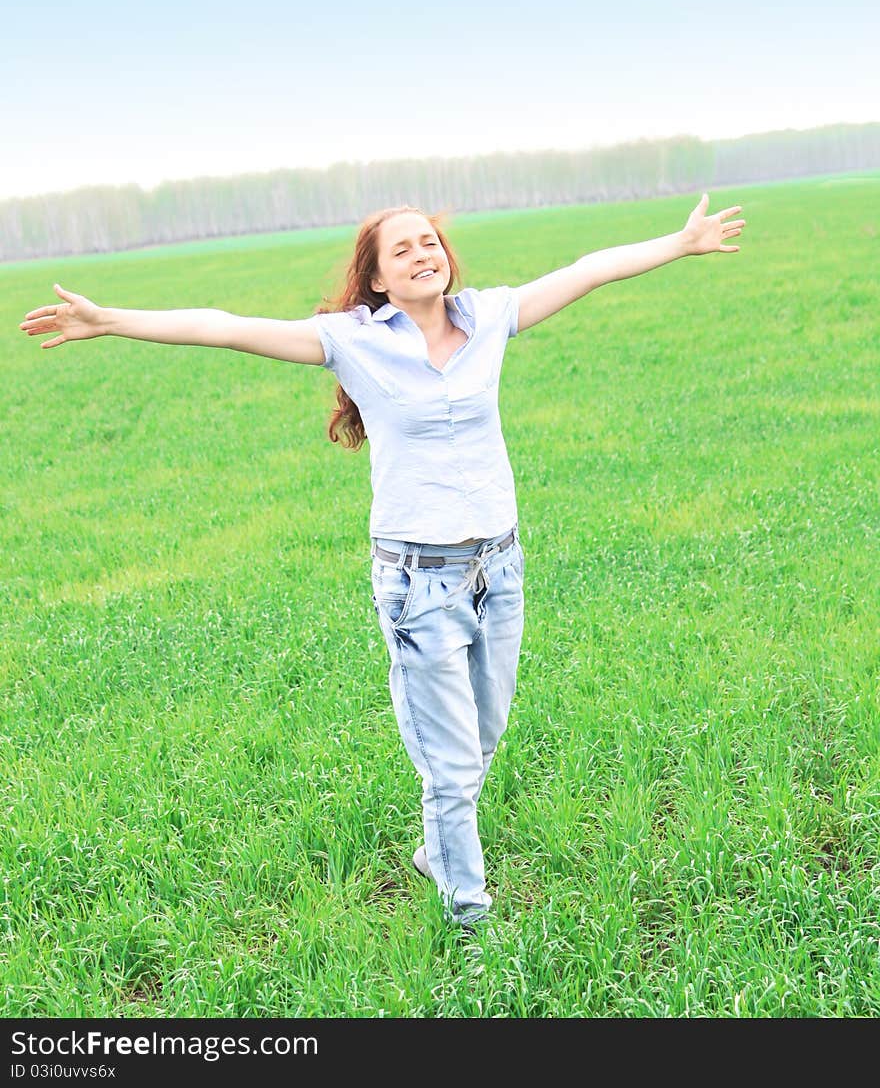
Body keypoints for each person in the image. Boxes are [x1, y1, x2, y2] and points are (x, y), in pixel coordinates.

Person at [19, 193, 745, 934]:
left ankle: (439, 850)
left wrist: (681, 243)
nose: (423, 254)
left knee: (484, 735)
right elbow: (223, 326)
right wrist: (108, 319)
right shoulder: (353, 341)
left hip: (500, 569)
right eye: (401, 250)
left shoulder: (489, 317)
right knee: (454, 767)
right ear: (375, 279)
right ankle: (471, 920)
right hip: (420, 583)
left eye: (429, 242)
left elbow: (589, 269)